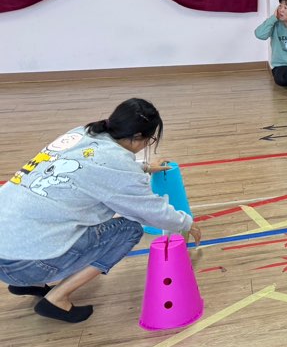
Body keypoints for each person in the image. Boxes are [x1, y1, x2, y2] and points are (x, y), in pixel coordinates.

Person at [0, 98, 201, 323]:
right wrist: (186, 222)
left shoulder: (82, 133)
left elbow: (89, 167)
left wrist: (142, 167)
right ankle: (56, 299)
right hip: (25, 264)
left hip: (6, 255)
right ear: (138, 137)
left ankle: (29, 284)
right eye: (149, 139)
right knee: (129, 230)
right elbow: (151, 211)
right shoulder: (116, 164)